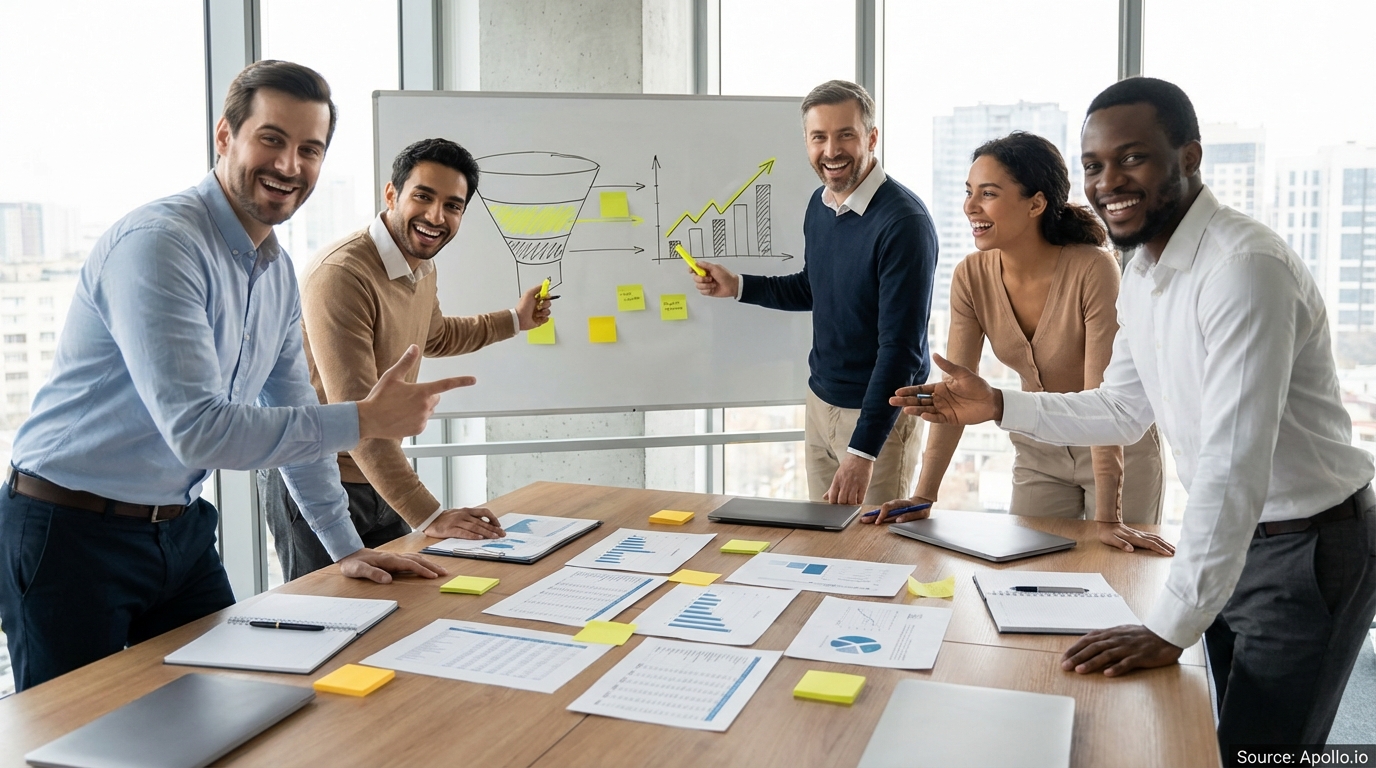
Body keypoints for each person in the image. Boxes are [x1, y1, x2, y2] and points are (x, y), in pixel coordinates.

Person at [894, 77, 1376, 753]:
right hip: (1242, 538)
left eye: (1132, 158)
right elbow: (1121, 410)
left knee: (1265, 749)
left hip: (1307, 547)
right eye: (1093, 165)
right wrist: (999, 404)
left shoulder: (1242, 268)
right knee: (1218, 742)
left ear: (1189, 157)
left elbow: (1232, 465)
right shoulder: (1146, 273)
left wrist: (1169, 625)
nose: (1108, 181)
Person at [0, 60, 461, 692]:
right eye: (272, 139)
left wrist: (346, 547)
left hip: (179, 526)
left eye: (310, 149)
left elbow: (297, 419)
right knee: (74, 728)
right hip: (69, 531)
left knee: (226, 699)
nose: (290, 165)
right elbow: (200, 431)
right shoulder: (161, 244)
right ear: (225, 136)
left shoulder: (275, 272)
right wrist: (363, 419)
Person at [261, 138, 552, 581]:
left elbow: (435, 334)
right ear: (392, 194)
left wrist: (515, 319)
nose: (436, 217)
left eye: (453, 206)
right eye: (424, 196)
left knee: (405, 601)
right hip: (321, 483)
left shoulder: (420, 264)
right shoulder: (342, 275)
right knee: (330, 613)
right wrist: (430, 514)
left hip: (379, 475)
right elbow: (359, 414)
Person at [873, 132, 1171, 556]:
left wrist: (1110, 516)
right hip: (1038, 449)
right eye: (969, 192)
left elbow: (1104, 404)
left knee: (1117, 572)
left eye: (988, 193)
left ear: (1036, 203)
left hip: (1117, 452)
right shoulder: (971, 276)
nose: (970, 206)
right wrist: (924, 495)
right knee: (1029, 574)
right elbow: (955, 395)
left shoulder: (1094, 268)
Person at [692, 79, 937, 506]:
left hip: (877, 418)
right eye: (819, 137)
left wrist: (863, 452)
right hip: (821, 402)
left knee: (873, 544)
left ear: (871, 138)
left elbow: (902, 352)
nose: (831, 150)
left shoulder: (904, 224)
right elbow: (813, 287)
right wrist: (738, 286)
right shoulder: (820, 206)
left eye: (845, 135)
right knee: (823, 539)